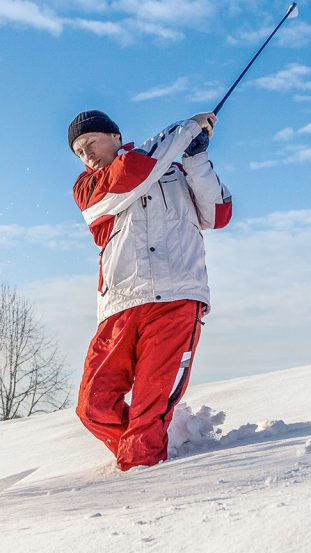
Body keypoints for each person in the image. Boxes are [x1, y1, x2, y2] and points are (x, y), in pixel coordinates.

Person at [68, 110, 232, 471]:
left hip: (177, 299)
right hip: (120, 306)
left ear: (114, 136)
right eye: (79, 150)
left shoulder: (174, 171)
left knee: (149, 410)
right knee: (93, 406)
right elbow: (132, 173)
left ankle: (144, 469)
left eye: (90, 142)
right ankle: (149, 447)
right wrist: (185, 129)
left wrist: (196, 156)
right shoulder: (90, 187)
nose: (86, 155)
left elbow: (217, 214)